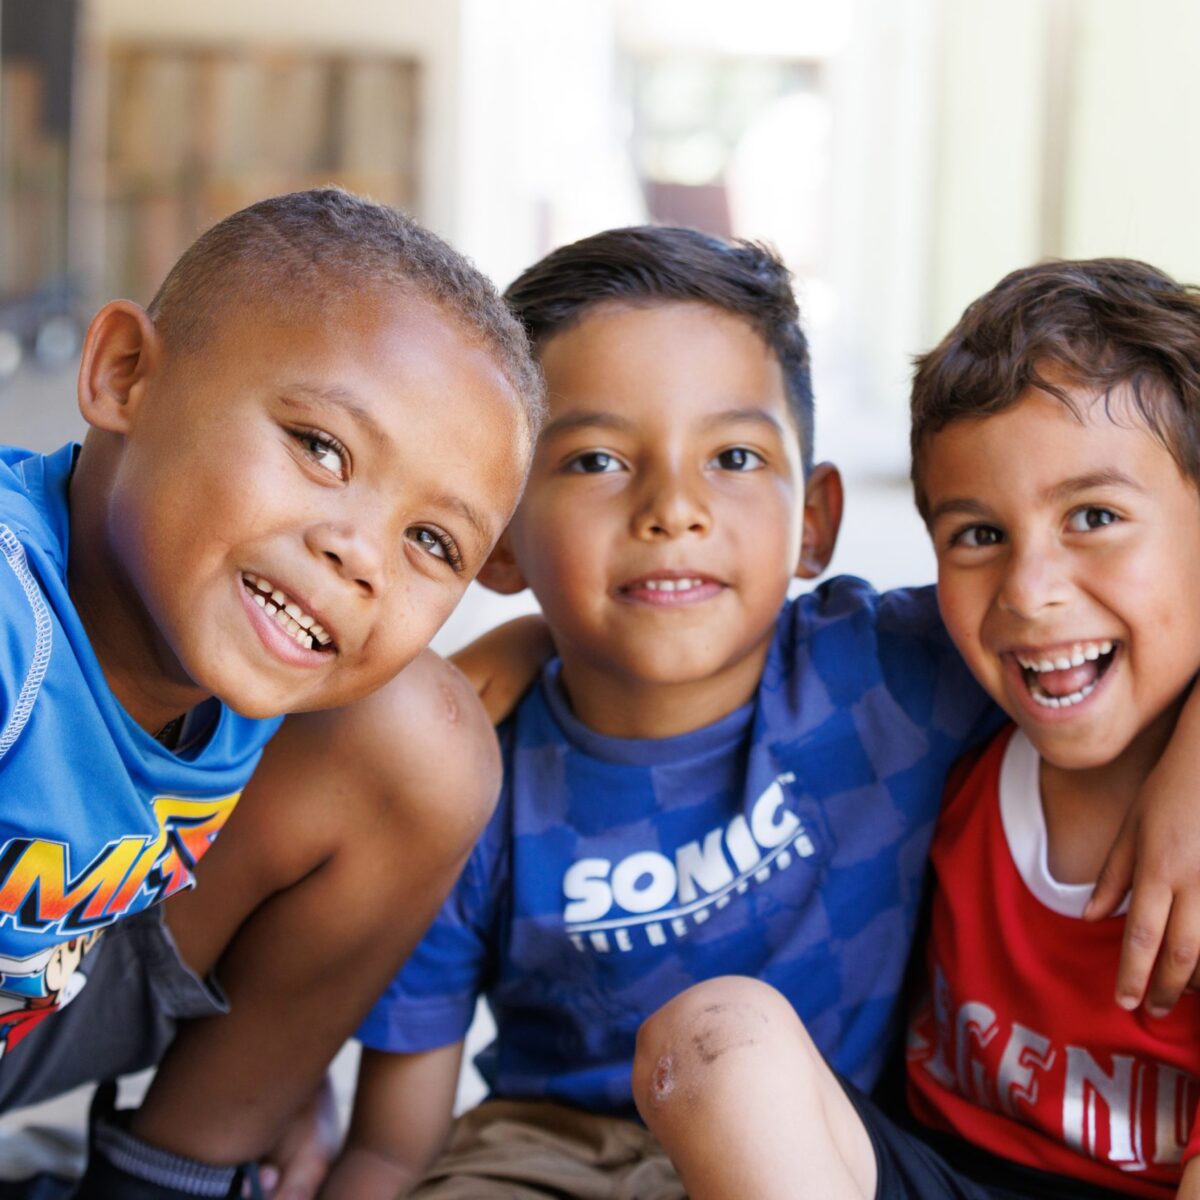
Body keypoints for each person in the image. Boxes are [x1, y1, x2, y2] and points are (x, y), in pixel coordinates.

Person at [319, 231, 1200, 1200]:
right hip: (565, 1155)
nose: (672, 510)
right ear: (497, 534)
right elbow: (393, 1145)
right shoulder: (468, 776)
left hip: (802, 1150)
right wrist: (473, 679)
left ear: (815, 520)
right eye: (599, 460)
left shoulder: (893, 677)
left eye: (733, 455)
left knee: (730, 1046)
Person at [0, 187, 542, 1198]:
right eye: (321, 447)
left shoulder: (251, 645)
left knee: (428, 740)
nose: (361, 555)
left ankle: (166, 1181)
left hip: (46, 984)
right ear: (126, 375)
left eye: (432, 542)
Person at [631, 258, 1200, 1200]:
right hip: (930, 1173)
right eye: (978, 534)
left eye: (1094, 516)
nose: (1029, 591)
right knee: (716, 1035)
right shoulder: (938, 713)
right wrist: (534, 639)